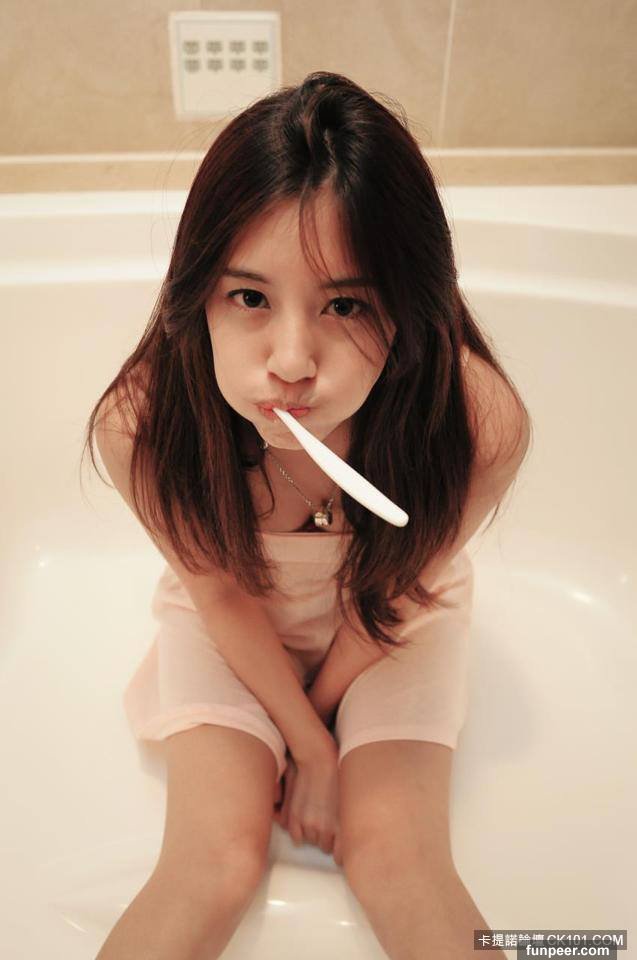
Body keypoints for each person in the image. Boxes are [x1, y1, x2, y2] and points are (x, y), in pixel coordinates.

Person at [85, 71, 531, 960]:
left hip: (390, 622)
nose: (291, 363)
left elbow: (396, 596)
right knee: (209, 866)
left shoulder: (476, 425)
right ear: (197, 295)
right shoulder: (141, 426)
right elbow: (219, 598)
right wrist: (312, 748)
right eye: (249, 297)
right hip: (232, 624)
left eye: (345, 305)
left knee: (401, 861)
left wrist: (322, 716)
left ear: (407, 310)